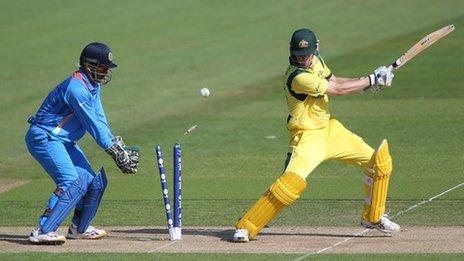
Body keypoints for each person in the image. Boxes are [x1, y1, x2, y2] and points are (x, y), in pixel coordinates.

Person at [233, 28, 399, 242]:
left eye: (307, 54)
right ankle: (246, 226)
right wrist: (371, 79)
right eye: (299, 55)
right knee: (290, 185)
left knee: (379, 163)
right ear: (292, 52)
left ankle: (373, 217)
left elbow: (336, 82)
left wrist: (368, 81)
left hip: (330, 130)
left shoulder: (317, 60)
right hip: (307, 136)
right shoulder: (297, 77)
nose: (303, 59)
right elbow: (338, 91)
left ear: (316, 48)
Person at [25, 42, 139, 244]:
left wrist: (116, 146)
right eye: (102, 68)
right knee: (70, 181)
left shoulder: (92, 86)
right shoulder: (76, 89)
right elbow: (92, 124)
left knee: (92, 181)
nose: (105, 73)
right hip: (44, 137)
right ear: (89, 65)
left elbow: (100, 119)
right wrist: (113, 152)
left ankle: (79, 228)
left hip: (63, 141)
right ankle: (42, 230)